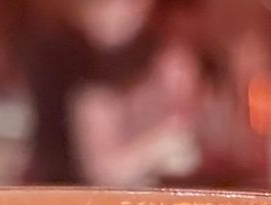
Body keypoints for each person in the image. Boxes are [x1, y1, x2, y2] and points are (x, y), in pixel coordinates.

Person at [23, 0, 202, 186]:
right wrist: (159, 146)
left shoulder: (153, 60)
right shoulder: (83, 67)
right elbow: (103, 171)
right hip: (67, 197)